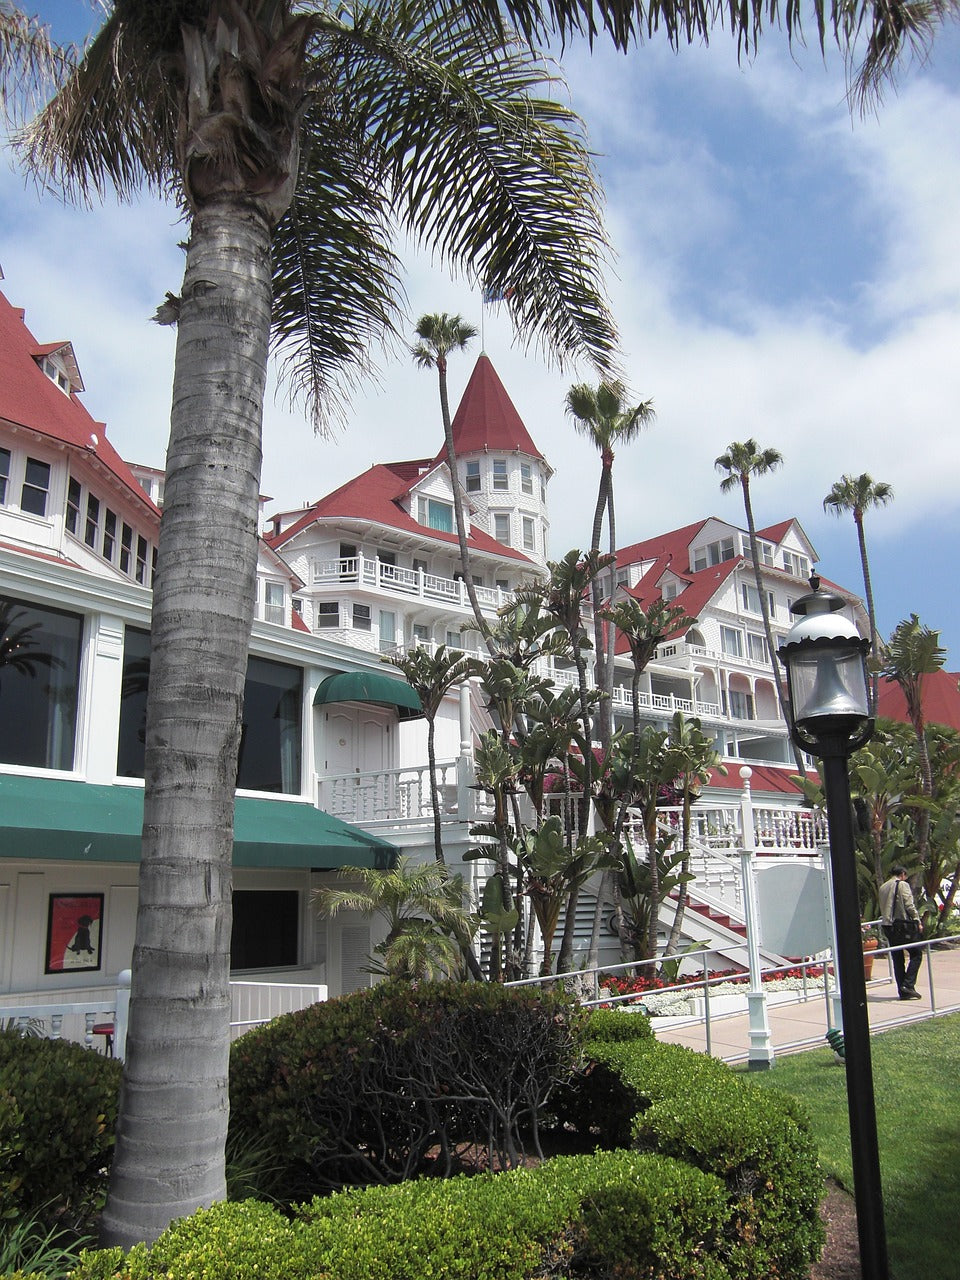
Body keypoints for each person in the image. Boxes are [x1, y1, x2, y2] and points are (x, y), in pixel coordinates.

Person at [879, 867, 924, 999]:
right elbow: (909, 905)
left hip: (888, 926)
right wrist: (917, 920)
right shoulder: (902, 884)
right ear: (903, 874)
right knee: (916, 954)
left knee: (898, 958)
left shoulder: (883, 887)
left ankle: (903, 991)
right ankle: (908, 985)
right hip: (901, 925)